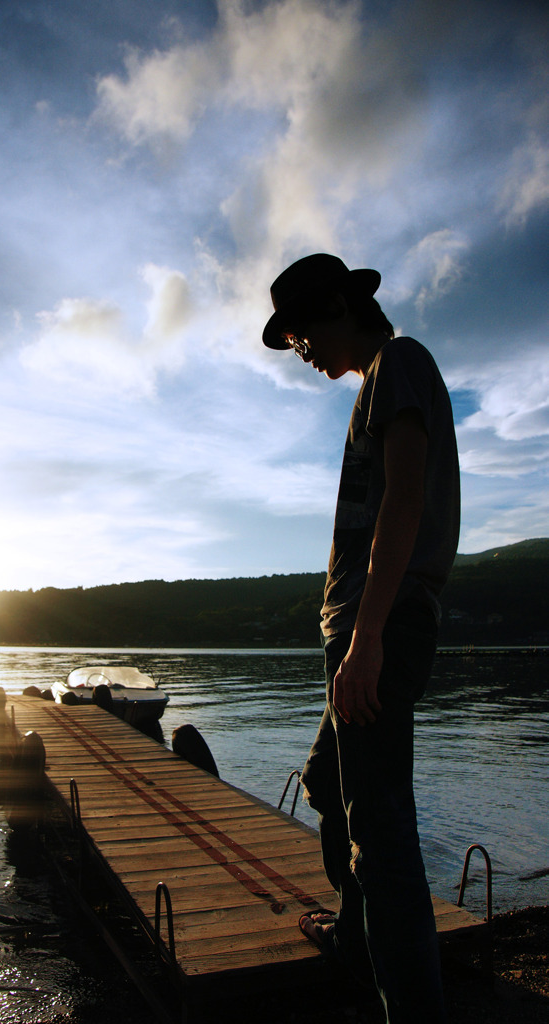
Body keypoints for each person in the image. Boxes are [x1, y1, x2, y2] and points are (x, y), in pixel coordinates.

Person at [262, 254, 460, 1024]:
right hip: (359, 630)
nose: (301, 349)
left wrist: (368, 638)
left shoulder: (399, 362)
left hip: (380, 626)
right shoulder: (377, 383)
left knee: (380, 836)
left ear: (340, 305)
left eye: (302, 331)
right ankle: (355, 936)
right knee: (325, 782)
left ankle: (411, 1008)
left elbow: (404, 503)